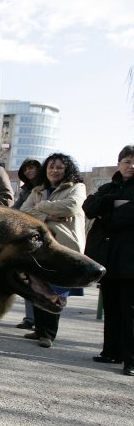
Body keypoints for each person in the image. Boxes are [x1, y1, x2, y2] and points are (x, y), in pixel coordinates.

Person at [19, 152, 86, 348]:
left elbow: (71, 207)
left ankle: (49, 333)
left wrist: (41, 207)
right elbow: (24, 210)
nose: (54, 171)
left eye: (59, 168)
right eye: (51, 167)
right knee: (39, 286)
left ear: (66, 170)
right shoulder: (38, 189)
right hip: (40, 245)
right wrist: (48, 215)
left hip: (63, 245)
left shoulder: (77, 187)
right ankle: (39, 329)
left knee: (56, 289)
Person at [83, 144, 134, 376]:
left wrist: (108, 211)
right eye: (127, 161)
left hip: (130, 260)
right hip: (109, 259)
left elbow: (124, 217)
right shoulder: (108, 187)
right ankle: (111, 351)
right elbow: (89, 207)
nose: (131, 166)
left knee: (129, 311)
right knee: (112, 307)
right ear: (119, 163)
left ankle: (130, 358)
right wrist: (108, 205)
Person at [13, 159, 42, 330]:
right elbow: (19, 209)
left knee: (41, 280)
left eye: (32, 167)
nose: (30, 171)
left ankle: (42, 322)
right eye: (26, 168)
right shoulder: (25, 189)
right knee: (28, 278)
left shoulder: (44, 187)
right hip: (26, 236)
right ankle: (31, 318)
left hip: (42, 237)